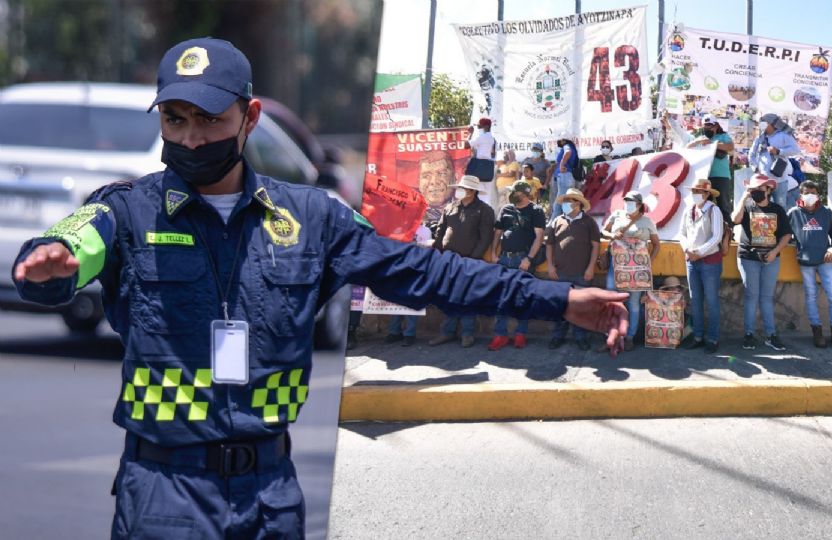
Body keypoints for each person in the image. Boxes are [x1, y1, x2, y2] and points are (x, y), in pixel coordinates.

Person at [11, 38, 632, 539]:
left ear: (249, 117)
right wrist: (46, 269)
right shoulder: (126, 210)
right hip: (163, 495)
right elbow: (67, 252)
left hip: (270, 498)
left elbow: (430, 273)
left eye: (209, 120)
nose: (191, 139)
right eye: (175, 121)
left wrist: (559, 298)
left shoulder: (314, 217)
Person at [429, 175, 496, 348]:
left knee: (467, 297)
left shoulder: (484, 210)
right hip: (448, 260)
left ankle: (467, 333)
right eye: (460, 187)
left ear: (473, 191)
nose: (460, 190)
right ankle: (447, 332)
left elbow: (485, 237)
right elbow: (440, 230)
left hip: (469, 261)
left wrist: (472, 259)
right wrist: (438, 253)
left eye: (463, 188)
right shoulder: (450, 207)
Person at [732, 174, 793, 351]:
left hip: (770, 259)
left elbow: (786, 235)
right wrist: (744, 197)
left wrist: (775, 252)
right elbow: (735, 219)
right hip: (748, 258)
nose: (756, 192)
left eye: (759, 189)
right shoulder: (747, 206)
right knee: (751, 297)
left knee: (766, 298)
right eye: (753, 189)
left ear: (769, 190)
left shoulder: (778, 209)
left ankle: (771, 334)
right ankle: (749, 334)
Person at [488, 180, 546, 351]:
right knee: (501, 298)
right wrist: (493, 253)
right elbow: (497, 233)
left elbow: (539, 237)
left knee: (523, 297)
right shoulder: (506, 209)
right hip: (504, 259)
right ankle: (500, 335)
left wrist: (529, 258)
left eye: (515, 192)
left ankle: (520, 334)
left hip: (523, 260)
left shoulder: (536, 211)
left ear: (525, 193)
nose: (512, 194)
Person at [787, 181, 832, 349]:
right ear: (801, 194)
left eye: (813, 192)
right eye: (806, 192)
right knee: (810, 296)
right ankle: (817, 332)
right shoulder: (793, 213)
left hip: (825, 260)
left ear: (818, 194)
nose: (810, 195)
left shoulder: (826, 212)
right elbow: (785, 233)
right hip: (805, 261)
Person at [600, 191, 660, 351]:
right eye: (626, 200)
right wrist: (612, 235)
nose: (628, 203)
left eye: (631, 201)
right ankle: (611, 335)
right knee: (612, 298)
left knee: (633, 303)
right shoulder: (617, 215)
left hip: (638, 269)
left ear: (639, 204)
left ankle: (629, 336)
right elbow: (603, 231)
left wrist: (648, 263)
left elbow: (656, 244)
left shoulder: (647, 221)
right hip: (616, 265)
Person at [546, 188, 601, 351]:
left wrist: (591, 267)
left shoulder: (589, 222)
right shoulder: (556, 221)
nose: (566, 203)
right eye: (565, 200)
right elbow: (549, 245)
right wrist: (550, 265)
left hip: (582, 273)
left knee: (581, 307)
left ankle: (580, 337)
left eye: (570, 200)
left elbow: (595, 247)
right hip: (560, 272)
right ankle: (558, 336)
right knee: (560, 306)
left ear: (578, 203)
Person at [678, 179, 724, 353]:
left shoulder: (714, 210)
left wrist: (699, 252)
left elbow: (717, 237)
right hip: (691, 260)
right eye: (694, 191)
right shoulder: (688, 211)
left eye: (699, 191)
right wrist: (688, 250)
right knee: (695, 300)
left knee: (712, 301)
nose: (695, 194)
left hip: (709, 261)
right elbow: (682, 233)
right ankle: (697, 336)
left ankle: (712, 338)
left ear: (707, 194)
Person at [748, 113, 801, 209]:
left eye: (763, 123)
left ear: (772, 124)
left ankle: (781, 224)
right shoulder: (760, 138)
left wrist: (779, 151)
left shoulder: (784, 136)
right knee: (762, 207)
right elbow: (751, 155)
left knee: (780, 207)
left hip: (779, 180)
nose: (761, 125)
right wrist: (755, 168)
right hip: (763, 181)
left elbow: (796, 150)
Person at [687, 114, 735, 219]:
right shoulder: (700, 138)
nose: (707, 128)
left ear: (716, 126)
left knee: (724, 205)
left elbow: (731, 146)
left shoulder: (723, 136)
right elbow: (687, 148)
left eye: (710, 125)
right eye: (705, 126)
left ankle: (728, 232)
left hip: (721, 176)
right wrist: (698, 141)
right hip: (704, 176)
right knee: (704, 205)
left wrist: (713, 143)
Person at [417, 150, 456, 225]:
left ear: (454, 178)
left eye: (441, 174)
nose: (434, 181)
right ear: (419, 182)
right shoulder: (410, 215)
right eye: (426, 176)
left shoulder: (465, 210)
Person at [547, 135, 579, 218]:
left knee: (560, 200)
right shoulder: (571, 146)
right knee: (564, 201)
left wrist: (561, 164)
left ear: (564, 140)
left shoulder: (567, 146)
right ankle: (560, 220)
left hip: (565, 176)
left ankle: (553, 223)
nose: (559, 142)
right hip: (567, 176)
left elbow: (568, 152)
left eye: (560, 140)